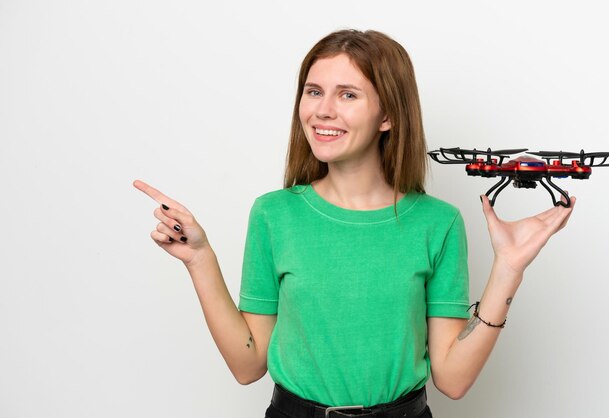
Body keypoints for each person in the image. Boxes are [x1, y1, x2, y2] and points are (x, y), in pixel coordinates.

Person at [134, 29, 574, 418]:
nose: (323, 110)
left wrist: (509, 269)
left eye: (348, 94)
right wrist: (199, 259)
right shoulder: (274, 214)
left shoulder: (438, 223)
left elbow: (453, 380)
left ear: (388, 115)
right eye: (313, 91)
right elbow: (248, 365)